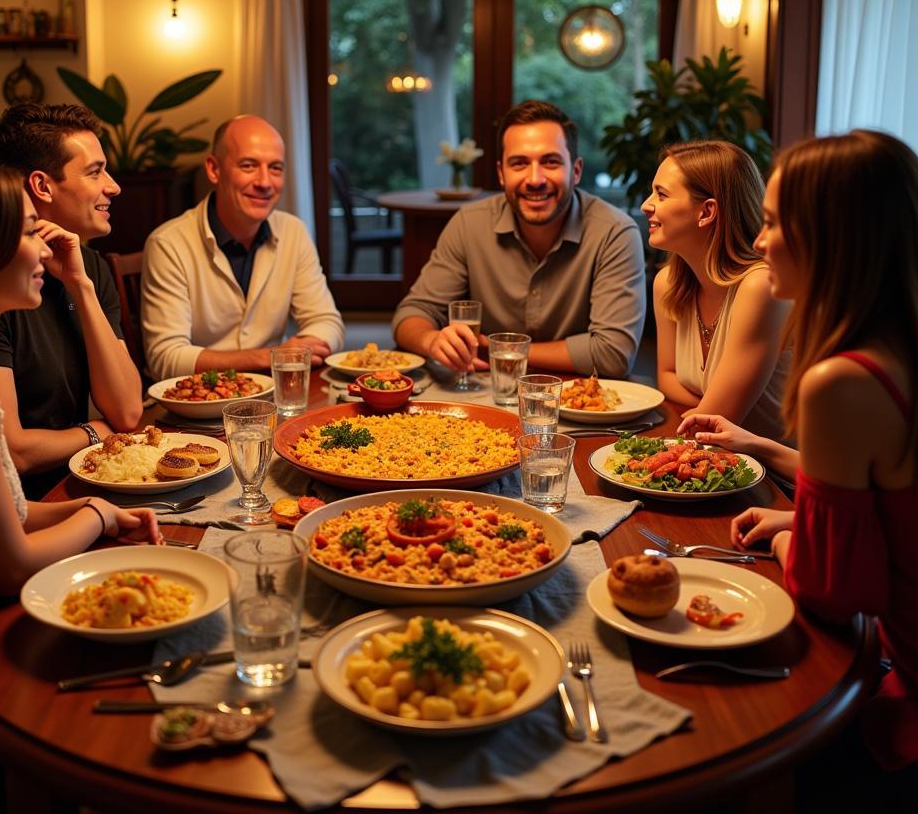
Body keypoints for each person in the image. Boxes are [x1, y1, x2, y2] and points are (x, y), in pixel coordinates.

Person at [678, 130, 918, 786]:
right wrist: (791, 503)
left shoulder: (842, 379)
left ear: (830, 237)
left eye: (775, 223)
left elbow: (833, 593)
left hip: (897, 691)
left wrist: (798, 542)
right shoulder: (896, 346)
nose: (758, 242)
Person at [0, 162, 161, 669]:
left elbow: (4, 511)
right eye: (27, 232)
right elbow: (10, 567)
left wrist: (103, 513)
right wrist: (94, 514)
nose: (45, 248)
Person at [393, 100, 645, 376]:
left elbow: (613, 353)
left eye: (550, 162)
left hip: (581, 402)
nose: (535, 179)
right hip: (483, 397)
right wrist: (432, 340)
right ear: (502, 173)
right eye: (520, 163)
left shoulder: (614, 232)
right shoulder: (469, 223)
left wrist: (496, 348)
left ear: (576, 171)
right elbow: (410, 316)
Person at [0, 103, 144, 499]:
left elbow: (128, 412)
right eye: (94, 171)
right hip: (19, 502)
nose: (114, 186)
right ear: (42, 185)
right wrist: (96, 432)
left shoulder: (88, 266)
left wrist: (80, 287)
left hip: (79, 482)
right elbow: (13, 452)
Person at [141, 115, 344, 380]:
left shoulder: (293, 231)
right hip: (196, 407)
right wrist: (273, 356)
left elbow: (328, 323)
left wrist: (301, 347)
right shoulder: (168, 244)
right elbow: (165, 358)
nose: (265, 182)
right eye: (248, 166)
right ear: (214, 170)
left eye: (276, 168)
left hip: (272, 396)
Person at [642, 140, 791, 440]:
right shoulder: (668, 283)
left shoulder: (760, 286)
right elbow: (666, 378)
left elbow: (714, 420)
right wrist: (707, 411)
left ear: (707, 212)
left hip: (780, 478)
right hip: (718, 456)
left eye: (662, 194)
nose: (647, 204)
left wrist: (708, 413)